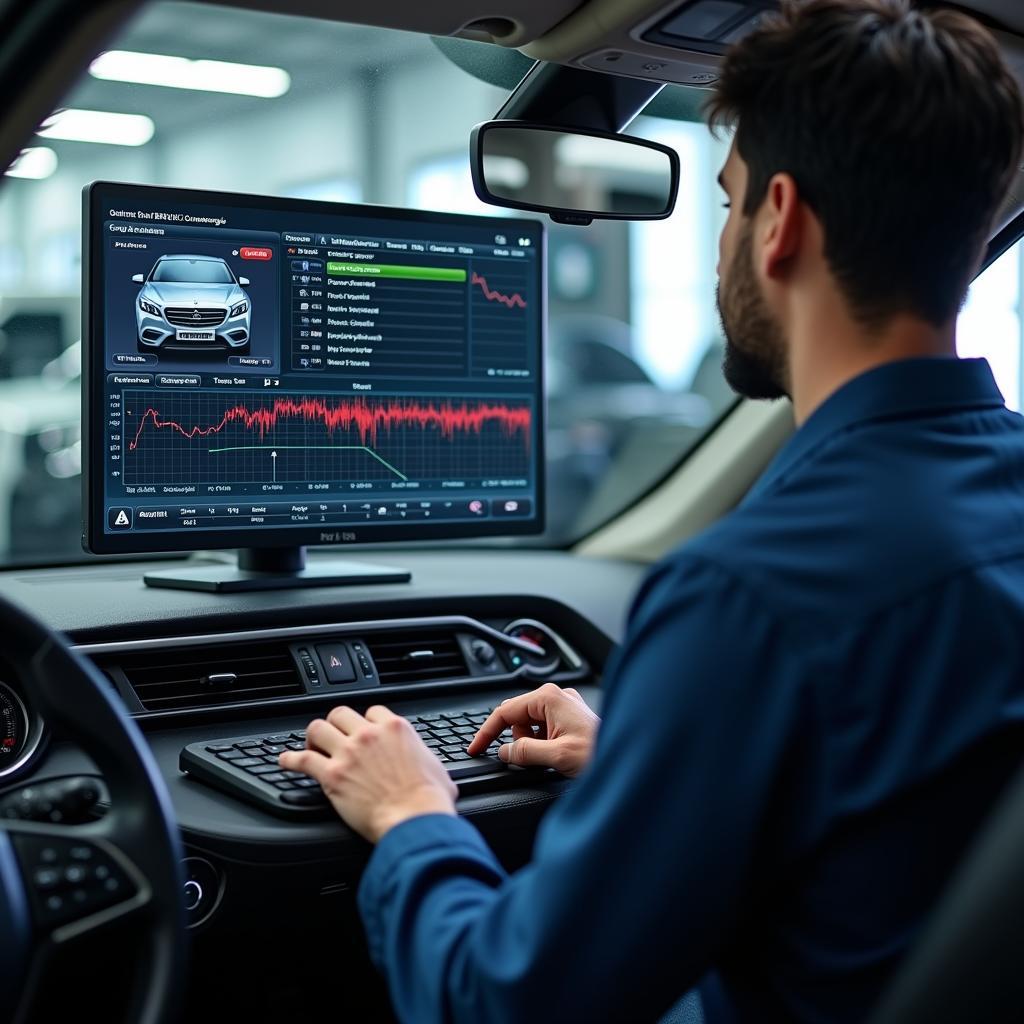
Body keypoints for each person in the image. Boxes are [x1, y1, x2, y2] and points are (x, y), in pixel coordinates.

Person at [279, 1, 1024, 1020]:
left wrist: (412, 814)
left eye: (725, 203)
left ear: (782, 222)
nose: (720, 244)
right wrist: (651, 754)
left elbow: (503, 1001)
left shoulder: (752, 594)